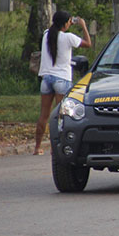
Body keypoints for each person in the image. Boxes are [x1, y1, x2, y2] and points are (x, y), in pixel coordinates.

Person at [35, 10, 92, 155]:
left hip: (46, 79)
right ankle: (57, 148)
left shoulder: (47, 34)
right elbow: (88, 44)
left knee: (44, 115)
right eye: (68, 22)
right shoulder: (69, 37)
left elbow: (56, 31)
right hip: (62, 79)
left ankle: (37, 147)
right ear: (65, 24)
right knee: (61, 116)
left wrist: (67, 21)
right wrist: (83, 25)